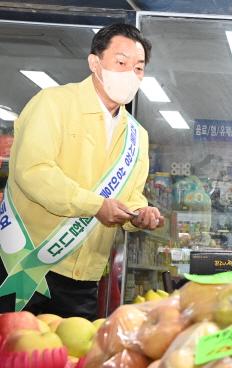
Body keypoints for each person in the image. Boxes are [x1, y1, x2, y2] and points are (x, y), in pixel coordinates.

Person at [0, 23, 164, 319]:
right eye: (121, 62)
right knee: (11, 358)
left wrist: (139, 214)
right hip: (26, 266)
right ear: (95, 63)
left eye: (139, 68)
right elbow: (33, 172)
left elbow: (129, 195)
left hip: (84, 280)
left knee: (73, 362)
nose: (131, 73)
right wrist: (96, 205)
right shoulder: (53, 104)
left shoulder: (137, 136)